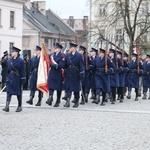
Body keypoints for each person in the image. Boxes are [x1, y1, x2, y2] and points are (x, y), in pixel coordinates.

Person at [3, 46, 26, 112]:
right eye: (12, 52)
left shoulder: (21, 61)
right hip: (10, 77)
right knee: (8, 92)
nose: (12, 53)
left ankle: (19, 106)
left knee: (18, 93)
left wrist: (23, 79)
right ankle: (7, 106)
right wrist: (7, 78)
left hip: (17, 78)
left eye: (13, 52)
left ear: (17, 53)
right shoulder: (9, 60)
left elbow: (23, 71)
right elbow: (7, 70)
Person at [64, 43, 85, 108]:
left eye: (71, 47)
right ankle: (67, 101)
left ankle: (76, 101)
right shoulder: (67, 55)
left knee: (76, 88)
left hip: (76, 72)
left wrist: (82, 73)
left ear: (74, 48)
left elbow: (81, 65)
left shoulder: (79, 55)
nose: (69, 49)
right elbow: (65, 64)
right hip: (68, 72)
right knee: (68, 88)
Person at [46, 43, 66, 107]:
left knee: (58, 88)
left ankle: (58, 101)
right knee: (51, 87)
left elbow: (62, 65)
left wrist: (53, 65)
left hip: (58, 73)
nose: (55, 49)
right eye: (54, 48)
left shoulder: (62, 56)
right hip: (52, 73)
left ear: (60, 49)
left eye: (56, 48)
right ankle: (50, 98)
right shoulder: (51, 55)